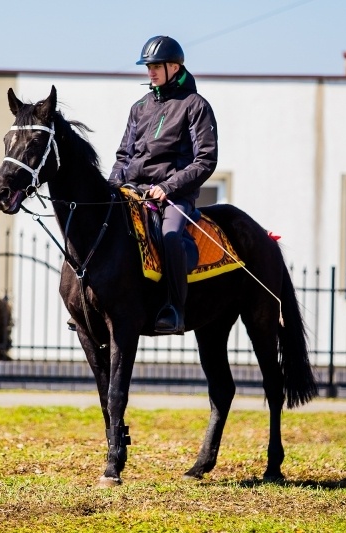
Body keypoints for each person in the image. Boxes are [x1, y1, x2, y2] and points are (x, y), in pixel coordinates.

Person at [108, 35, 219, 334]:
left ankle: (174, 308)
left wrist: (168, 187)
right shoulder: (139, 108)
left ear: (174, 66)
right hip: (132, 190)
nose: (151, 72)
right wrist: (113, 186)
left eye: (156, 66)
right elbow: (123, 156)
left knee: (170, 236)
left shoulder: (196, 106)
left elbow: (206, 160)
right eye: (148, 67)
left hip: (173, 196)